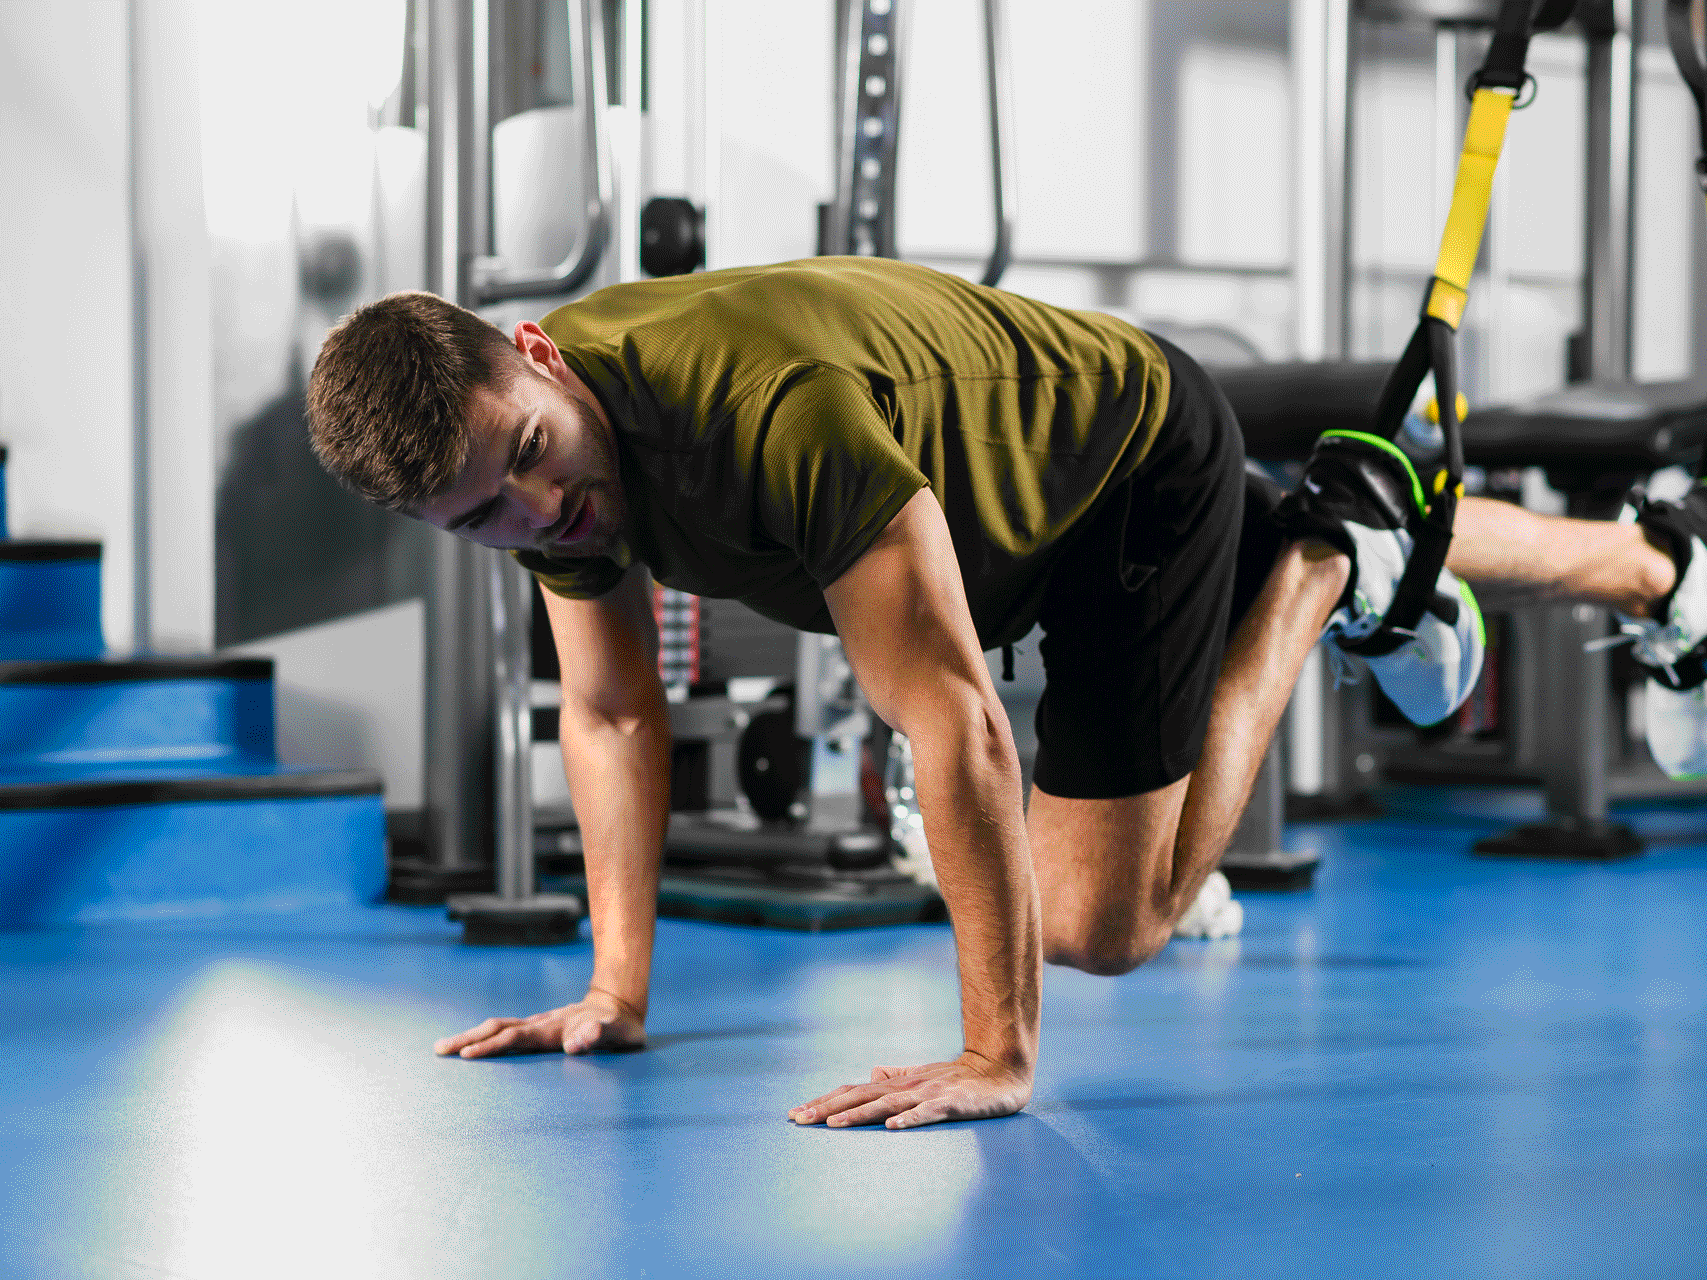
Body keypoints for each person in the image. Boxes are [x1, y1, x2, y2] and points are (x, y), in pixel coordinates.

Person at [305, 257, 1703, 1131]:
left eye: (532, 457)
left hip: (1124, 469)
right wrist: (614, 990)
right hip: (1006, 510)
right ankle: (1664, 567)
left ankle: (1320, 563)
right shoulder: (544, 483)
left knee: (1100, 927)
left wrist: (994, 1051)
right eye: (484, 518)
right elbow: (613, 713)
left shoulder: (771, 414)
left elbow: (955, 719)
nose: (541, 513)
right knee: (1070, 889)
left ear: (540, 355)